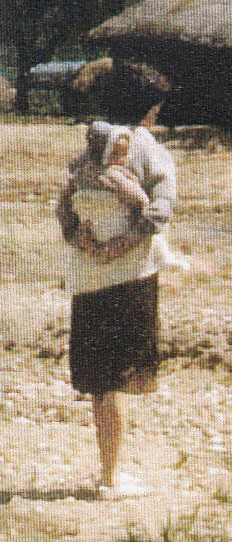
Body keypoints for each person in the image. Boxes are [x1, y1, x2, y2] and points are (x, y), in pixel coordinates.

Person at [55, 61, 177, 499]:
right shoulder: (148, 149)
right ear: (149, 109)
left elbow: (65, 210)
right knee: (120, 377)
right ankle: (111, 477)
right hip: (130, 276)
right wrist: (123, 244)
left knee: (100, 378)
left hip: (88, 277)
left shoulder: (90, 152)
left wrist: (86, 242)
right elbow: (159, 213)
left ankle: (107, 470)